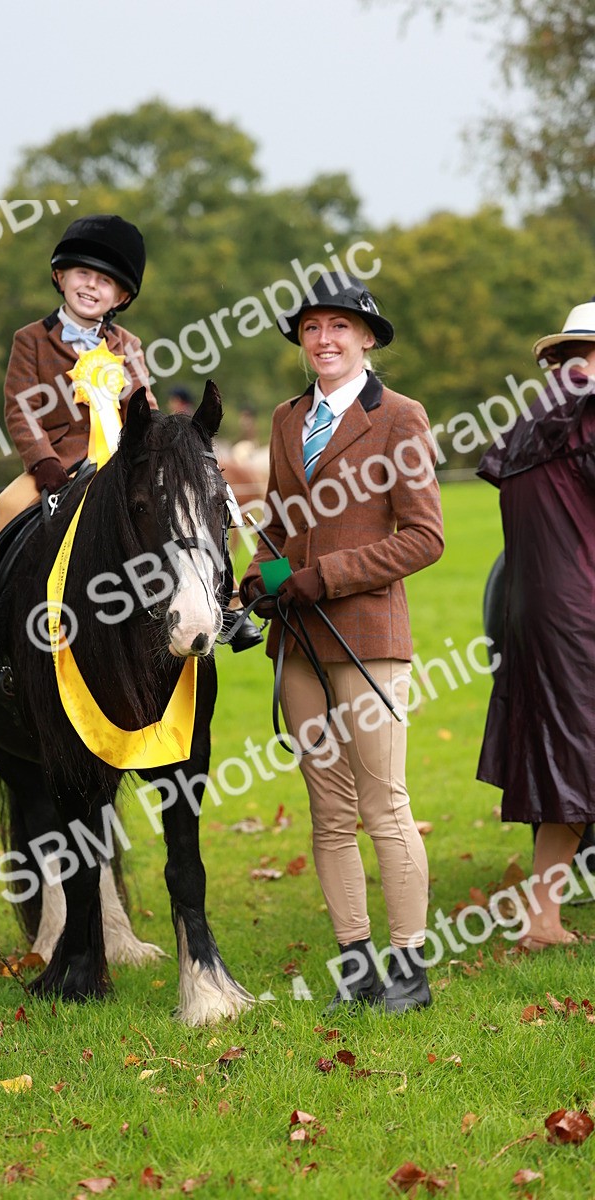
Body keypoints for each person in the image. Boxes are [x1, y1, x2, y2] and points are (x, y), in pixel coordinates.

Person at [239, 272, 444, 1012]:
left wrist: (323, 577)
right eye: (311, 328)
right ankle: (356, 966)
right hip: (298, 642)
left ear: (365, 337)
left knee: (384, 804)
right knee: (327, 811)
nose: (323, 340)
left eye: (339, 327)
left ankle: (410, 970)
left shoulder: (401, 417)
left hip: (366, 636)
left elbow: (425, 537)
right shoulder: (288, 418)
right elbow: (277, 522)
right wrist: (258, 578)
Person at [0, 214, 156, 651]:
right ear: (61, 275)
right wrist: (44, 463)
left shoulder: (128, 345)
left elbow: (145, 408)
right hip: (58, 464)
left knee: (179, 508)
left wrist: (138, 414)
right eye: (83, 274)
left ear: (122, 295)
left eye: (105, 281)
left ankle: (222, 600)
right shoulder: (30, 340)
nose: (91, 286)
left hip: (119, 462)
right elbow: (20, 408)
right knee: (5, 505)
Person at [477, 297, 595, 950]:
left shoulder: (531, 419)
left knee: (565, 762)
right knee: (580, 760)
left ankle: (544, 918)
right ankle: (541, 918)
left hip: (528, 612)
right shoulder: (587, 414)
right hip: (582, 611)